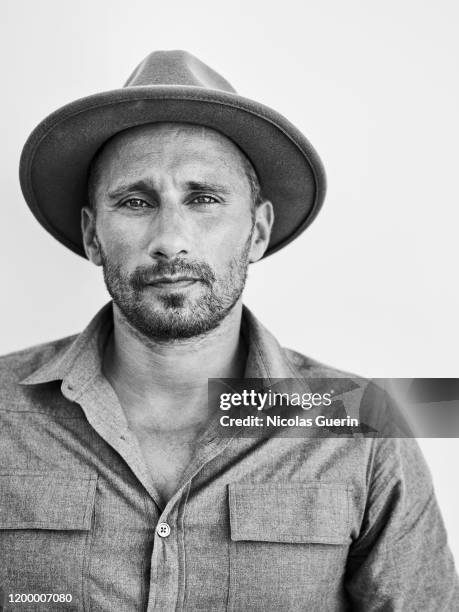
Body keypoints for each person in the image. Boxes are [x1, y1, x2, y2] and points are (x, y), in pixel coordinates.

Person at [1, 50, 458, 611]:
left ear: (258, 231)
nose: (171, 239)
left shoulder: (364, 424)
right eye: (136, 201)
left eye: (205, 199)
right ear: (93, 236)